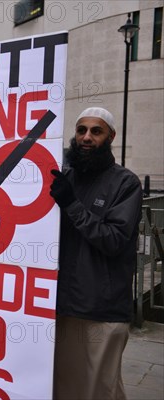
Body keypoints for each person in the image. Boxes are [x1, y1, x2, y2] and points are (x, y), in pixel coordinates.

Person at [49, 107, 143, 399]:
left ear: (111, 136)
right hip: (61, 306)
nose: (86, 137)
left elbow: (114, 239)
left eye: (96, 131)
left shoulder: (126, 183)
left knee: (98, 389)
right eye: (81, 131)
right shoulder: (65, 178)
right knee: (64, 388)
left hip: (101, 311)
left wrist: (72, 205)